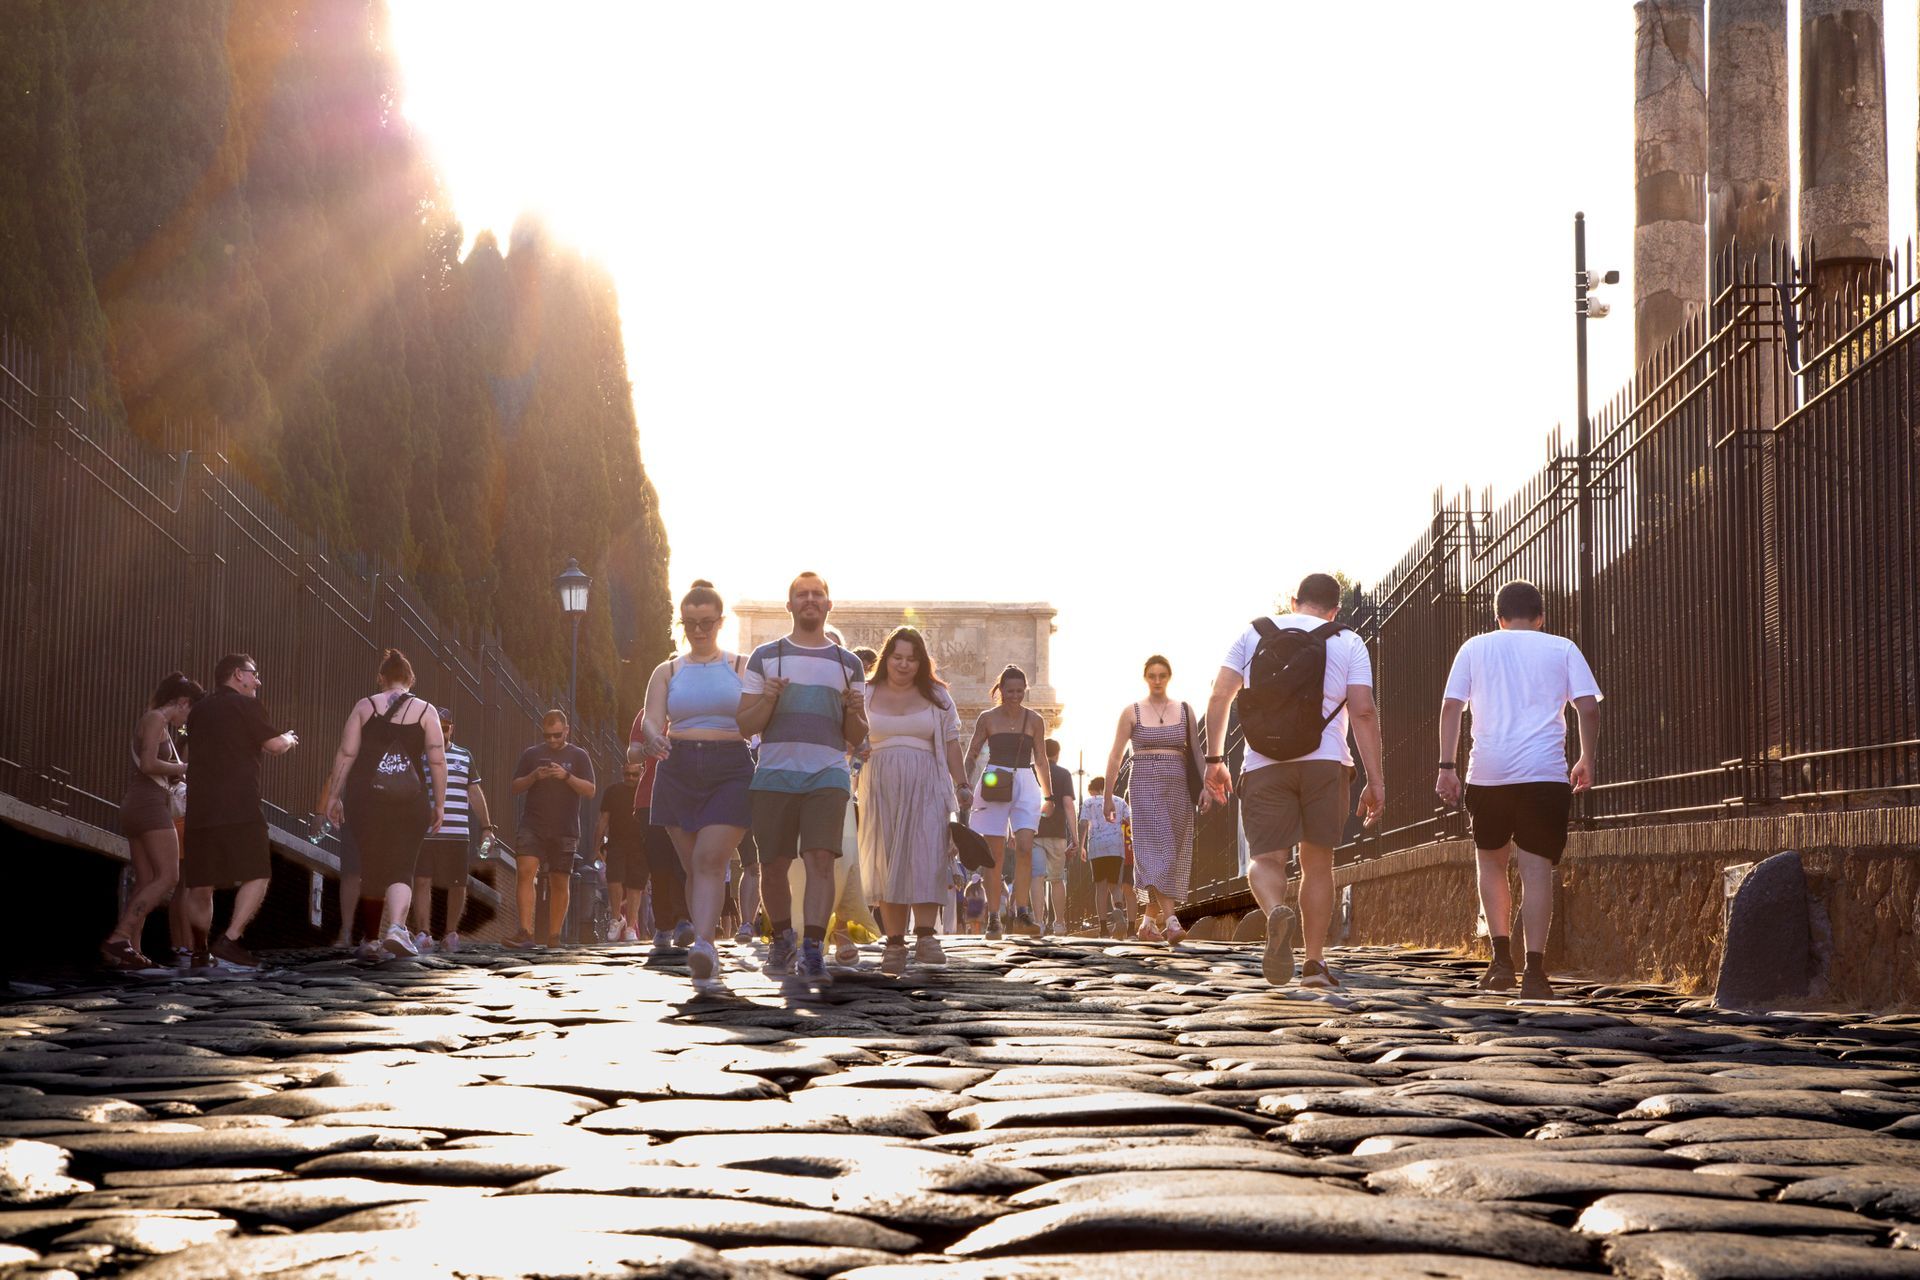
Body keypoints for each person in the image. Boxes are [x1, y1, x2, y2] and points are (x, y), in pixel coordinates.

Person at [1205, 573, 1384, 989]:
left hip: (1264, 763)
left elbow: (1219, 696)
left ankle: (1274, 912)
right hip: (1325, 763)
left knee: (1265, 860)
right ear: (1335, 609)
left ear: (1294, 600)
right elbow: (1362, 712)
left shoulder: (1254, 633)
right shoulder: (1348, 640)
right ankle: (1315, 964)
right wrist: (1375, 780)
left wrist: (1215, 760)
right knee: (1317, 863)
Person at [1437, 579, 1602, 999]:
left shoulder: (1475, 647)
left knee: (1491, 865)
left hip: (1488, 773)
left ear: (1499, 618)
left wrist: (1447, 766)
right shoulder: (1561, 647)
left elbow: (1451, 706)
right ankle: (1535, 971)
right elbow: (1587, 706)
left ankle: (1501, 961)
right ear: (1541, 617)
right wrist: (1586, 758)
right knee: (1536, 871)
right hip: (1545, 773)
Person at [736, 571, 868, 986]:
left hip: (827, 775)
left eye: (818, 594)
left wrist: (853, 709)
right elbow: (745, 725)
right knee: (772, 866)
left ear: (829, 605)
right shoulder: (766, 655)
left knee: (821, 861)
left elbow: (857, 736)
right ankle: (782, 938)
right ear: (789, 605)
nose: (810, 600)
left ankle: (813, 948)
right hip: (774, 773)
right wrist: (770, 698)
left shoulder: (849, 665)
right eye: (801, 594)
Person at [636, 580, 752, 984]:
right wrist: (652, 735)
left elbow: (760, 715)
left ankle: (703, 944)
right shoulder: (667, 670)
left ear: (720, 622)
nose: (698, 630)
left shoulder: (742, 666)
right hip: (678, 767)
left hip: (731, 768)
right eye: (690, 623)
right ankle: (707, 946)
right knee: (692, 867)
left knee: (709, 860)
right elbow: (652, 716)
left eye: (706, 622)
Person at [857, 626, 971, 975]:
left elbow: (951, 743)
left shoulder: (938, 696)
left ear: (921, 662)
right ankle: (894, 942)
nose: (904, 665)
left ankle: (926, 936)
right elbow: (849, 735)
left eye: (911, 659)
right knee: (887, 859)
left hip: (927, 783)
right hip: (879, 785)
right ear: (886, 658)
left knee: (925, 855)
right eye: (898, 658)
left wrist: (963, 783)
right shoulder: (866, 692)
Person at [320, 649, 447, 959]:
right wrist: (439, 804)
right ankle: (398, 929)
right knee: (403, 865)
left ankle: (371, 938)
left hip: (365, 799)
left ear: (381, 679)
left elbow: (346, 753)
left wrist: (334, 797)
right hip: (409, 799)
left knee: (372, 866)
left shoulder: (365, 706)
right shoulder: (426, 711)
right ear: (410, 679)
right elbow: (437, 760)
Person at [181, 653, 300, 969]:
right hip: (239, 804)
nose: (257, 681)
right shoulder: (247, 705)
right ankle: (230, 939)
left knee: (200, 884)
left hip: (200, 807)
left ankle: (198, 951)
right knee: (258, 873)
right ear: (238, 675)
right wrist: (288, 738)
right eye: (254, 674)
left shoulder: (198, 710)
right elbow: (273, 745)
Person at [1103, 655, 1211, 943]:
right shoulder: (1132, 712)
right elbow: (1115, 755)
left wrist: (1205, 787)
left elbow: (1198, 753)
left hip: (1177, 788)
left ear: (1169, 677)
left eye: (1162, 675)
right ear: (1145, 677)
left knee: (1170, 854)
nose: (1157, 680)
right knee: (1156, 852)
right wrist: (1107, 796)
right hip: (1144, 786)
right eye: (1152, 675)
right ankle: (1173, 922)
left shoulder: (1185, 710)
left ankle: (1148, 924)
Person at [104, 673, 205, 970]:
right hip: (148, 804)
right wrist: (183, 766)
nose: (186, 721)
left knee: (147, 879)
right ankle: (120, 936)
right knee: (169, 877)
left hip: (141, 803)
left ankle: (131, 950)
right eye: (189, 713)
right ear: (183, 703)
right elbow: (148, 764)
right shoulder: (156, 719)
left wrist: (177, 769)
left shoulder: (158, 723)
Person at [963, 666, 1055, 938]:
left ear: (1025, 690)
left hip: (1026, 781)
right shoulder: (987, 718)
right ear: (1000, 690)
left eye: (1019, 691)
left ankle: (1023, 913)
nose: (1015, 696)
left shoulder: (1035, 719)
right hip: (994, 780)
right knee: (994, 855)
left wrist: (1048, 795)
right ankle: (994, 917)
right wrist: (963, 784)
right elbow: (972, 752)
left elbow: (1040, 758)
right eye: (1010, 690)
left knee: (1025, 847)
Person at [509, 709, 596, 946]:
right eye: (547, 736)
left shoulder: (579, 755)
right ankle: (525, 932)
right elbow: (515, 786)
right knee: (525, 871)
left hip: (565, 827)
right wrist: (534, 776)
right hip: (533, 823)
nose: (552, 740)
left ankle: (554, 936)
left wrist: (566, 776)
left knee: (560, 879)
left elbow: (590, 790)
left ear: (566, 730)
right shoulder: (532, 754)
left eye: (557, 735)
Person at [411, 707, 490, 954]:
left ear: (451, 728)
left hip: (457, 833)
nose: (442, 731)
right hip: (425, 832)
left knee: (458, 884)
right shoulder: (420, 756)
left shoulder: (464, 756)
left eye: (445, 727)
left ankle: (450, 933)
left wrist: (487, 827)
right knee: (422, 880)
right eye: (437, 726)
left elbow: (474, 793)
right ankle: (424, 933)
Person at [594, 758, 650, 944]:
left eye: (635, 774)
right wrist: (597, 844)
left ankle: (631, 926)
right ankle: (616, 918)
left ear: (642, 771)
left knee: (636, 885)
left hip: (641, 844)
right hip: (617, 841)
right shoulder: (613, 791)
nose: (631, 778)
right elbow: (604, 818)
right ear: (622, 772)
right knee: (614, 879)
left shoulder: (648, 792)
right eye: (627, 774)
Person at [1030, 739, 1078, 935]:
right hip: (1057, 834)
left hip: (1033, 831)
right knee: (1057, 880)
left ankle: (1039, 923)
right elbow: (1068, 806)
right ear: (1058, 754)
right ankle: (1059, 923)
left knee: (1037, 878)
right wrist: (1075, 838)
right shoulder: (1064, 774)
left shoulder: (1030, 770)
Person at [1079, 775, 1130, 938]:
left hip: (1097, 848)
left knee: (1100, 888)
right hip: (1116, 847)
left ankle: (1103, 929)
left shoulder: (1089, 802)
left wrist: (1079, 845)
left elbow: (1083, 824)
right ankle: (1118, 912)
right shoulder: (1120, 801)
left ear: (1094, 789)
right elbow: (1130, 820)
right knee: (1115, 885)